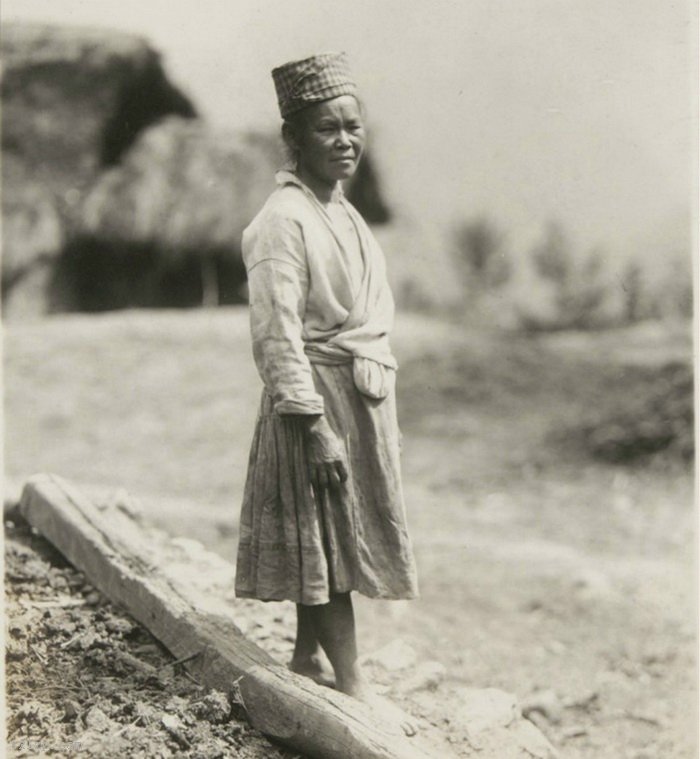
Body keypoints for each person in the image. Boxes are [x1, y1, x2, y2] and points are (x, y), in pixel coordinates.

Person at [235, 52, 419, 734]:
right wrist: (312, 422)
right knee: (332, 538)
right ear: (295, 139)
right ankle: (352, 683)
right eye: (326, 129)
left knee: (328, 535)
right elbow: (276, 333)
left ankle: (306, 655)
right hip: (315, 401)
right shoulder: (284, 220)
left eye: (352, 126)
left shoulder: (341, 211)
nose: (345, 141)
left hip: (357, 392)